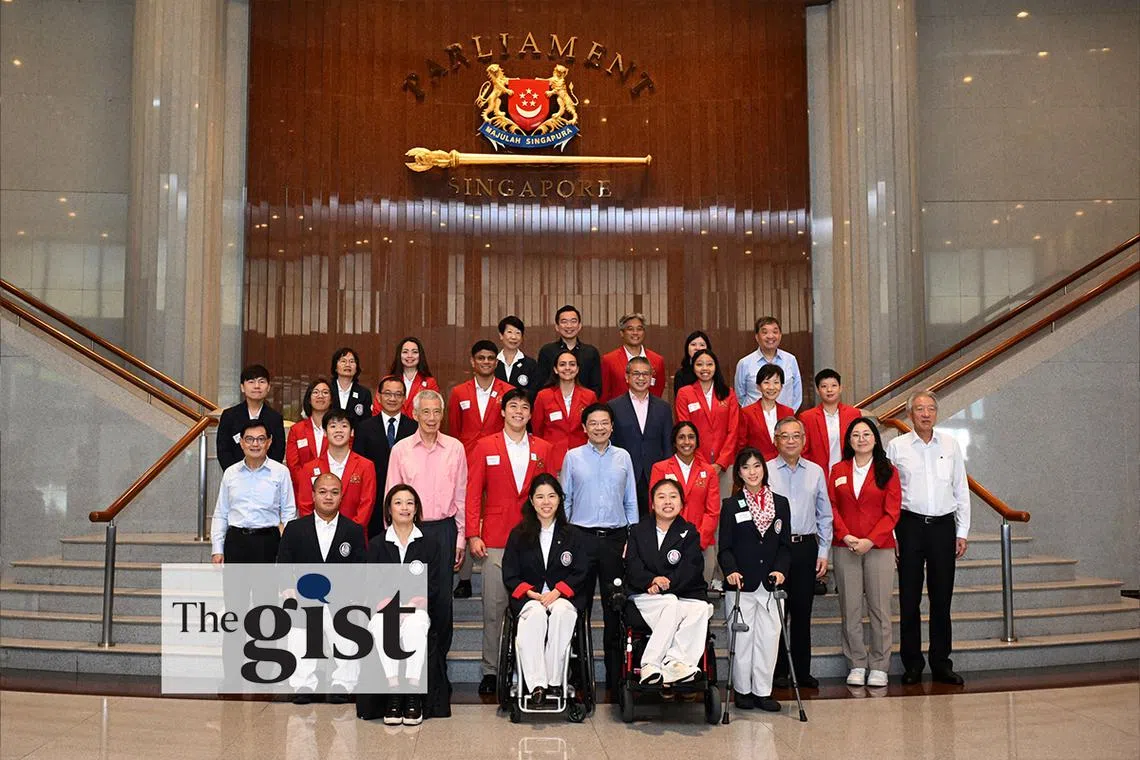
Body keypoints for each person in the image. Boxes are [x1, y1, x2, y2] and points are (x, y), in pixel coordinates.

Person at [465, 388, 553, 695]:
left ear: (530, 414)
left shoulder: (543, 447)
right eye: (512, 406)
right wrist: (473, 533)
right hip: (496, 540)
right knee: (494, 607)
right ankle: (491, 669)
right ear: (502, 412)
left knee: (536, 610)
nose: (518, 411)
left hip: (535, 540)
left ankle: (535, 672)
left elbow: (550, 494)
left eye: (524, 407)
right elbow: (473, 491)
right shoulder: (484, 446)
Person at [886, 390, 970, 686]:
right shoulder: (896, 447)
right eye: (919, 409)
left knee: (941, 598)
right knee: (909, 599)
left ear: (936, 413)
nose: (925, 413)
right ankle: (912, 664)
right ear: (909, 414)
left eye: (930, 409)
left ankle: (941, 662)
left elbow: (961, 489)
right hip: (909, 526)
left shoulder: (950, 444)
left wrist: (962, 531)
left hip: (943, 527)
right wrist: (893, 533)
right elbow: (891, 494)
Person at [385, 389, 466, 691]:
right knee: (408, 603)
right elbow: (391, 495)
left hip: (444, 531)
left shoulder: (455, 448)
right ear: (415, 414)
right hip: (410, 530)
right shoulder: (401, 450)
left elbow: (461, 494)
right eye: (425, 412)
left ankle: (437, 670)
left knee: (442, 603)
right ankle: (406, 671)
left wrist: (459, 537)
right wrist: (393, 537)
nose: (431, 418)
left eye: (436, 412)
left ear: (442, 415)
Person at [559, 402, 639, 690]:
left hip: (616, 540)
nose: (600, 427)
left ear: (612, 426)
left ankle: (616, 678)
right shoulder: (572, 457)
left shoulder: (623, 457)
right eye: (593, 423)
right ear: (584, 427)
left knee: (614, 608)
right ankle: (576, 675)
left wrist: (632, 538)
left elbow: (631, 500)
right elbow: (564, 500)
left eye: (605, 422)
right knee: (575, 606)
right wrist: (565, 538)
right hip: (580, 539)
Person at [357, 485, 446, 724]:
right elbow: (372, 582)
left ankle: (413, 695)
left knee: (415, 626)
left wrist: (413, 604)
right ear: (389, 509)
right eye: (398, 502)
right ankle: (394, 693)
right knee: (381, 625)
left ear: (416, 509)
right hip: (386, 608)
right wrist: (388, 605)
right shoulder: (377, 544)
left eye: (409, 503)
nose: (404, 507)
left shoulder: (430, 544)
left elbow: (435, 584)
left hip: (418, 609)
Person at [277, 472, 367, 704]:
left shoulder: (353, 530)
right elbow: (284, 562)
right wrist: (288, 590)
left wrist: (352, 597)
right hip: (305, 598)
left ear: (342, 497)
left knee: (348, 637)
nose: (329, 497)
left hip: (341, 598)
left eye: (334, 492)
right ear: (313, 495)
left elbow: (360, 568)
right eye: (323, 492)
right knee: (299, 638)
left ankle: (343, 683)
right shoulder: (295, 529)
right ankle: (303, 683)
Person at [501, 474, 589, 706]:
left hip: (563, 597)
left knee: (561, 612)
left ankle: (553, 680)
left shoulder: (574, 535)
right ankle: (537, 684)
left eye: (551, 496)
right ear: (531, 501)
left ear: (560, 500)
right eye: (540, 497)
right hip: (531, 597)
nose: (546, 502)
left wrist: (558, 591)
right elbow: (510, 573)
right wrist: (530, 593)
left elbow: (581, 571)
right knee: (536, 615)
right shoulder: (518, 535)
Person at [829, 418, 901, 688]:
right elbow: (832, 507)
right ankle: (857, 662)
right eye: (856, 435)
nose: (861, 439)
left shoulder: (888, 471)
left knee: (880, 608)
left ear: (875, 439)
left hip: (879, 547)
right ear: (848, 441)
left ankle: (880, 664)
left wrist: (870, 540)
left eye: (866, 434)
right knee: (850, 608)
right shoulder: (838, 470)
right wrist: (845, 534)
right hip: (845, 546)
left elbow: (892, 512)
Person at [718, 448, 791, 712]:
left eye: (757, 466)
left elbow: (785, 545)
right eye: (746, 467)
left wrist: (781, 569)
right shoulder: (731, 505)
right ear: (738, 473)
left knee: (769, 640)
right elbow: (724, 547)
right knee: (742, 639)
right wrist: (731, 570)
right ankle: (742, 690)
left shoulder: (780, 503)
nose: (752, 472)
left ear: (764, 469)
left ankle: (763, 691)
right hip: (741, 583)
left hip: (771, 584)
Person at [765, 416, 831, 689]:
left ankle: (802, 672)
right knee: (776, 612)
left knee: (802, 612)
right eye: (784, 436)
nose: (790, 441)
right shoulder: (765, 470)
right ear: (775, 440)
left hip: (806, 547)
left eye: (796, 436)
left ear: (804, 441)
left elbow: (824, 514)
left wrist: (823, 551)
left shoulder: (815, 471)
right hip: (774, 549)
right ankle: (778, 671)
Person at [625, 478, 711, 685]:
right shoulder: (637, 531)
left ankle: (675, 663)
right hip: (645, 596)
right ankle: (650, 664)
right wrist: (651, 580)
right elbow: (632, 565)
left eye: (673, 497)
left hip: (677, 592)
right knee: (671, 603)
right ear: (652, 504)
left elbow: (691, 568)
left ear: (682, 503)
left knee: (701, 608)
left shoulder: (689, 532)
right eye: (661, 497)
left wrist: (666, 584)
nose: (667, 502)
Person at [211, 419, 296, 565]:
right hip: (235, 542)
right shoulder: (231, 473)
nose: (255, 444)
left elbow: (289, 512)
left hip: (268, 543)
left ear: (269, 442)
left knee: (266, 588)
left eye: (261, 439)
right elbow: (221, 513)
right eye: (249, 439)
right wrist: (217, 549)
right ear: (242, 442)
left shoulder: (281, 472)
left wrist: (287, 549)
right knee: (235, 589)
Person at [650, 422, 721, 591]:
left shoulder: (708, 471)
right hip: (667, 543)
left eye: (691, 437)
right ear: (674, 442)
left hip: (701, 543)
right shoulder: (660, 468)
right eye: (681, 437)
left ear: (697, 441)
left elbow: (713, 511)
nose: (686, 442)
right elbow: (655, 507)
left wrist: (698, 541)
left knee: (699, 597)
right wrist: (670, 541)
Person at [352, 375, 418, 539]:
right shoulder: (364, 427)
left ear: (404, 398)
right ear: (379, 397)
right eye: (388, 394)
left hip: (405, 500)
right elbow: (358, 465)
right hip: (374, 499)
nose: (392, 398)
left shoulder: (414, 428)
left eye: (398, 394)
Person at [610, 356, 673, 517]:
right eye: (636, 374)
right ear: (627, 377)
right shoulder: (613, 407)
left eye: (645, 374)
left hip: (654, 474)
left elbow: (667, 444)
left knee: (653, 522)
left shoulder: (663, 408)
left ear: (651, 378)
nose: (641, 378)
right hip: (624, 473)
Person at [295, 410, 376, 530]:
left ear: (352, 431)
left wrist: (348, 531)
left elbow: (366, 504)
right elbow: (305, 506)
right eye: (333, 426)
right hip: (318, 536)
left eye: (344, 425)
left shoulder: (366, 466)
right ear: (325, 432)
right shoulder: (309, 468)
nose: (338, 430)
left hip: (353, 535)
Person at [674, 348, 740, 496]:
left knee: (723, 508)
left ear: (715, 367)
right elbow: (685, 432)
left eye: (709, 364)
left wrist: (721, 463)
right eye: (699, 364)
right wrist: (701, 462)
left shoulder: (728, 394)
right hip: (694, 461)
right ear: (693, 367)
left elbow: (733, 430)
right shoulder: (685, 393)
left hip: (724, 464)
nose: (705, 368)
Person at [531, 350, 598, 474]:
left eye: (572, 364)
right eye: (562, 364)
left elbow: (593, 429)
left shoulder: (589, 396)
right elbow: (537, 430)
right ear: (555, 369)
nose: (567, 368)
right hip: (553, 459)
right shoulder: (543, 396)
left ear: (577, 369)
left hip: (583, 459)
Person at [447, 340, 514, 453]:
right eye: (481, 358)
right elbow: (454, 430)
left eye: (490, 358)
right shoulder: (459, 392)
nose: (486, 362)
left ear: (496, 362)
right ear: (473, 362)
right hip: (467, 454)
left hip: (499, 453)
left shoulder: (509, 391)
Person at [216, 364, 286, 471]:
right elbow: (223, 450)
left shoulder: (275, 418)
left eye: (261, 381)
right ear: (242, 387)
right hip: (237, 478)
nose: (257, 386)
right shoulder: (229, 416)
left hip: (267, 479)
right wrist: (236, 474)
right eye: (251, 382)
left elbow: (278, 451)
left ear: (268, 387)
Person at [799, 369, 861, 478]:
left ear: (840, 388)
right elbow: (804, 450)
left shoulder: (853, 414)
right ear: (818, 390)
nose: (829, 390)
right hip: (818, 473)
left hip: (848, 472)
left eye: (834, 385)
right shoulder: (807, 417)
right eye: (824, 386)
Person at [733, 317, 802, 411]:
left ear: (780, 335)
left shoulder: (790, 360)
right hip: (754, 420)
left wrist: (788, 415)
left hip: (784, 420)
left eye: (775, 332)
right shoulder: (744, 363)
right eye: (765, 332)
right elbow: (740, 396)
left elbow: (797, 394)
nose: (770, 336)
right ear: (757, 337)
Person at [535, 305, 602, 398]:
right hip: (553, 405)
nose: (569, 326)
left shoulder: (591, 352)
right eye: (564, 322)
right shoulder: (547, 351)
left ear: (579, 326)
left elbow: (596, 386)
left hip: (584, 405)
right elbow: (541, 383)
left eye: (573, 321)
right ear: (557, 327)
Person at [600, 313, 667, 402]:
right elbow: (604, 394)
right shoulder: (609, 360)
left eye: (639, 329)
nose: (635, 333)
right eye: (630, 329)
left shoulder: (657, 360)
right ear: (622, 333)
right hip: (618, 413)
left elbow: (659, 390)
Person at [739, 365, 795, 462]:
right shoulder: (747, 413)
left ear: (781, 386)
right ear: (758, 386)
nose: (771, 387)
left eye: (776, 382)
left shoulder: (788, 412)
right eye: (766, 382)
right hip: (758, 467)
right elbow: (741, 445)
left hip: (784, 465)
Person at [285, 378, 331, 493]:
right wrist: (307, 486)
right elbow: (293, 465)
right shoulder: (297, 430)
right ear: (309, 399)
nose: (320, 396)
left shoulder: (339, 429)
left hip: (332, 492)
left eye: (325, 392)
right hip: (303, 491)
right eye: (315, 392)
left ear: (331, 399)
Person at [387, 337, 441, 418]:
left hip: (419, 429)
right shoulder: (387, 381)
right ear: (399, 355)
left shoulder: (430, 383)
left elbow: (435, 411)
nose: (410, 356)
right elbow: (378, 409)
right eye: (405, 352)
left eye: (414, 352)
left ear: (420, 355)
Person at [495, 315, 541, 401]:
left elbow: (534, 393)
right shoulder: (493, 363)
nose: (514, 337)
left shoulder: (530, 364)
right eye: (509, 332)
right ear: (501, 335)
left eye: (518, 333)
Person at [329, 346, 373, 426]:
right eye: (343, 361)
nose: (348, 365)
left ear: (356, 368)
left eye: (352, 361)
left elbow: (367, 422)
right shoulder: (327, 390)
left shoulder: (364, 393)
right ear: (335, 367)